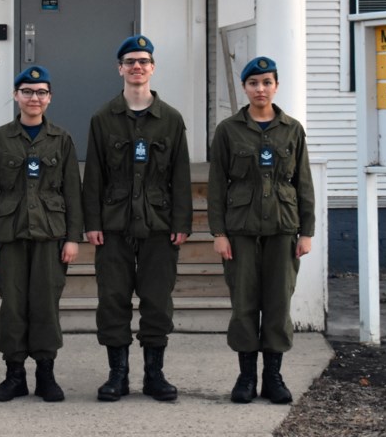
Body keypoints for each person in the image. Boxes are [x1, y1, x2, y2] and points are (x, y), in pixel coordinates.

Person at [82, 35, 192, 402]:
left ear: (152, 68)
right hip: (113, 224)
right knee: (112, 298)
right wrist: (92, 222)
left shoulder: (171, 120)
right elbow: (93, 174)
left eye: (143, 61)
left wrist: (182, 222)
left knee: (157, 299)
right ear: (120, 69)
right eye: (130, 62)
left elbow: (180, 175)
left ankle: (154, 375)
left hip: (159, 224)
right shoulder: (103, 118)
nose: (137, 67)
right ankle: (118, 375)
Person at [207, 55, 315, 405]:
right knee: (244, 304)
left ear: (276, 86)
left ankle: (273, 377)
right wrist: (218, 232)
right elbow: (216, 185)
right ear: (244, 88)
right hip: (240, 230)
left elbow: (303, 184)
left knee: (278, 304)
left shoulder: (292, 129)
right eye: (253, 83)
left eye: (267, 82)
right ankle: (245, 377)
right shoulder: (228, 130)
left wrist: (307, 231)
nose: (260, 89)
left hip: (283, 228)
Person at [0, 65, 83, 403]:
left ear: (49, 98)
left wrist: (72, 238)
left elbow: (72, 191)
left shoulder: (61, 138)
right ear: (15, 95)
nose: (34, 98)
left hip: (51, 236)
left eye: (41, 92)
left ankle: (46, 374)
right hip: (9, 236)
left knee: (46, 304)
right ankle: (14, 374)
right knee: (13, 306)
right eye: (27, 92)